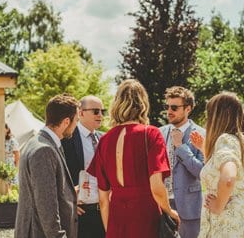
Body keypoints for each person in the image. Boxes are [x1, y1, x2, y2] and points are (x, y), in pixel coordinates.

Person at [87, 79, 180, 238]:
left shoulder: (105, 140)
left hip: (116, 219)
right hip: (145, 217)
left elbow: (103, 199)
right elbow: (156, 187)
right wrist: (170, 211)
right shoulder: (151, 134)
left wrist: (110, 232)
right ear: (143, 104)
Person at [15, 94, 79, 237]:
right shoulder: (44, 149)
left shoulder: (38, 142)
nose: (77, 126)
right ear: (66, 121)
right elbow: (46, 205)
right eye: (76, 121)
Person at [195, 92, 244, 237]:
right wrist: (204, 150)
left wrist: (218, 205)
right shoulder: (241, 140)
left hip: (225, 222)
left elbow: (229, 177)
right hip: (240, 218)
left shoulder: (224, 140)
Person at [159, 86, 206, 238]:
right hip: (162, 205)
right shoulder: (159, 133)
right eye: (167, 107)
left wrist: (181, 147)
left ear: (188, 109)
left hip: (189, 208)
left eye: (174, 107)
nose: (169, 111)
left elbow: (202, 172)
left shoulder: (201, 134)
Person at [61, 95, 107, 237]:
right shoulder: (66, 138)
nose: (100, 115)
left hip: (105, 210)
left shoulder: (105, 138)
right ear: (80, 113)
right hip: (81, 212)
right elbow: (59, 174)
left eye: (102, 111)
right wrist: (68, 203)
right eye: (95, 111)